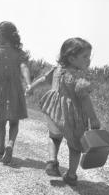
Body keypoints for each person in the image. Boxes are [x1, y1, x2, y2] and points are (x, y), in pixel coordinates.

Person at [26, 37, 100, 186]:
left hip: (52, 111)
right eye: (85, 57)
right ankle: (71, 175)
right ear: (72, 58)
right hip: (72, 116)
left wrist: (31, 88)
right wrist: (93, 118)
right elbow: (85, 100)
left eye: (89, 57)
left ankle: (52, 162)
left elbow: (42, 80)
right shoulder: (78, 78)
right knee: (75, 145)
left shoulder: (56, 70)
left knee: (54, 137)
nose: (88, 60)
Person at [0, 21, 31, 164]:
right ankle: (10, 144)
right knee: (14, 122)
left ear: (4, 37)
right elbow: (24, 68)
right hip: (16, 90)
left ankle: (0, 148)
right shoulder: (19, 53)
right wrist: (28, 83)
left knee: (0, 122)